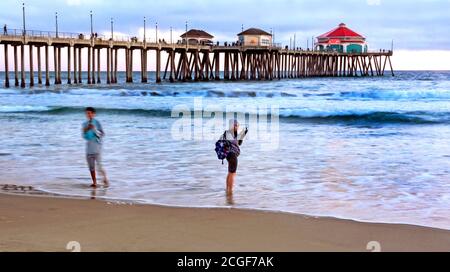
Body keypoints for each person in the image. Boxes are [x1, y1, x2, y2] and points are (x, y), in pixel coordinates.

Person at [220, 120, 248, 196]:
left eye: (237, 125)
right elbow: (235, 143)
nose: (237, 127)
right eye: (235, 125)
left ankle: (227, 189)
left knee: (230, 172)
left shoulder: (229, 133)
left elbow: (239, 143)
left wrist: (242, 134)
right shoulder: (229, 133)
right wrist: (242, 134)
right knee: (233, 173)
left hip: (229, 155)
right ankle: (230, 191)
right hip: (232, 155)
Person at [82, 107, 108, 188]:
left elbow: (102, 134)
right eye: (87, 113)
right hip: (89, 148)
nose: (88, 115)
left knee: (99, 166)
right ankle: (94, 182)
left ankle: (105, 179)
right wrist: (86, 129)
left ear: (93, 114)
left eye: (90, 113)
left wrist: (94, 129)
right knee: (91, 167)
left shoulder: (97, 122)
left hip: (97, 148)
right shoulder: (84, 124)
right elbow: (84, 136)